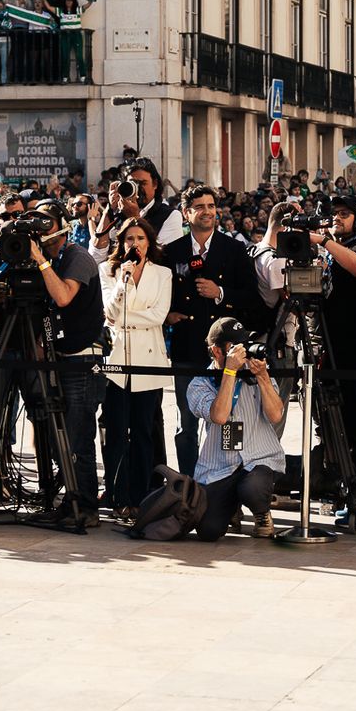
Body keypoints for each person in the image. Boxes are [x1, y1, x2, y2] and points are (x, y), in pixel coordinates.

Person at [162, 183, 260, 474]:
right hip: (187, 348)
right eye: (199, 207)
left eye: (210, 206)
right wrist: (166, 314)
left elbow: (251, 296)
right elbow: (161, 293)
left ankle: (225, 486)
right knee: (186, 425)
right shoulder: (172, 252)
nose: (207, 212)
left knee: (227, 421)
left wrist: (220, 292)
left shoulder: (234, 249)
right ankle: (190, 487)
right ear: (186, 212)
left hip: (224, 353)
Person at [23, 207, 106, 523]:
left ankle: (85, 507)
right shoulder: (48, 261)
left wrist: (40, 260)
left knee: (77, 438)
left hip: (82, 360)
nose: (40, 229)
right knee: (60, 439)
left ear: (62, 228)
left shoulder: (76, 256)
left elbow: (63, 296)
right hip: (58, 358)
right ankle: (69, 499)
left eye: (47, 223)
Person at [186, 319, 287, 540]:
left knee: (252, 489)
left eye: (245, 344)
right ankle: (230, 507)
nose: (243, 353)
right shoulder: (199, 383)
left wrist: (263, 378)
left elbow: (276, 415)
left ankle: (262, 514)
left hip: (258, 459)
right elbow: (220, 416)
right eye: (235, 347)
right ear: (216, 351)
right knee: (208, 531)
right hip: (219, 467)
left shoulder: (256, 372)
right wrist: (230, 373)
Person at [101, 216, 173, 516]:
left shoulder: (163, 273)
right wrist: (122, 282)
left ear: (149, 242)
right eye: (129, 239)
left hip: (149, 359)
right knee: (116, 430)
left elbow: (158, 315)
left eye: (140, 238)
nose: (135, 244)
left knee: (144, 431)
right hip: (117, 359)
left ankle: (142, 496)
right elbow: (109, 311)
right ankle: (117, 494)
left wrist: (125, 319)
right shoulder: (109, 270)